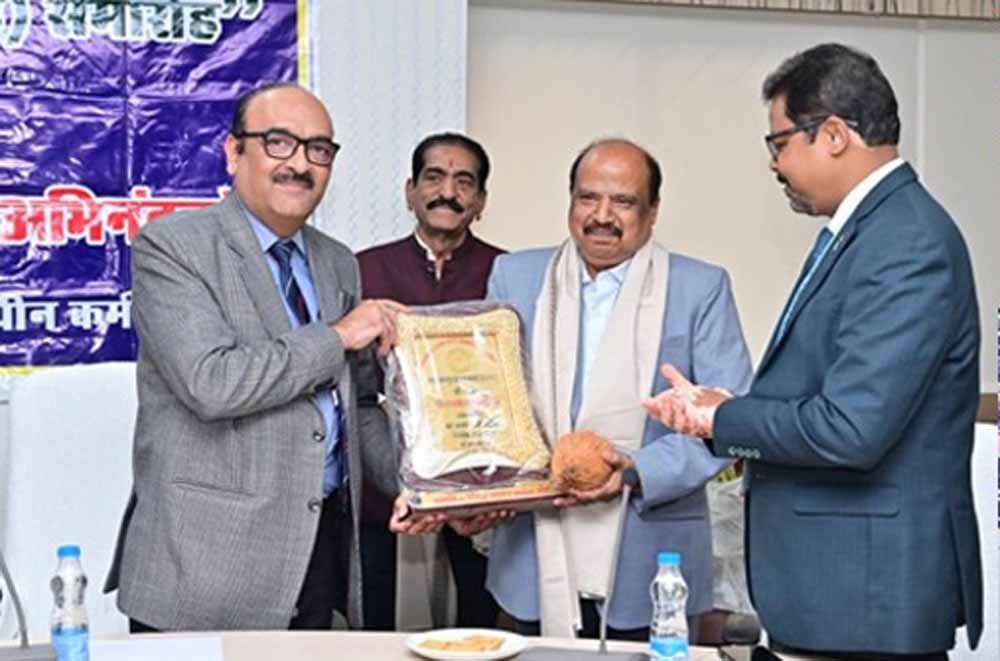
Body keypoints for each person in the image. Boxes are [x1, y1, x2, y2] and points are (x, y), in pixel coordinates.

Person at [644, 43, 983, 660]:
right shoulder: (868, 230)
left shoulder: (906, 242)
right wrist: (724, 409)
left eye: (779, 143)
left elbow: (851, 429)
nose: (774, 163)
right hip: (838, 595)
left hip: (865, 598)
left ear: (832, 135)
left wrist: (723, 419)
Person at [104, 82, 404, 632]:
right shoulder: (172, 247)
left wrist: (428, 485)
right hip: (203, 565)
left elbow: (357, 405)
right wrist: (337, 335)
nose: (301, 164)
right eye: (278, 142)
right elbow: (212, 382)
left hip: (317, 555)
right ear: (233, 152)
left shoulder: (338, 262)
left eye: (318, 149)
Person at [474, 138, 753, 640]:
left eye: (623, 201)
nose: (602, 216)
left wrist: (637, 472)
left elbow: (733, 421)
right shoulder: (515, 276)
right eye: (588, 198)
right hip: (533, 550)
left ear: (652, 212)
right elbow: (487, 400)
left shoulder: (700, 287)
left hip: (653, 556)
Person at [355, 132, 505, 630]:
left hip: (477, 472)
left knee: (480, 615)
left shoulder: (505, 272)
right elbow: (355, 387)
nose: (448, 193)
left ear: (480, 201)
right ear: (411, 191)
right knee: (372, 613)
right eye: (435, 177)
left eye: (465, 182)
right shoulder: (364, 269)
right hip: (384, 467)